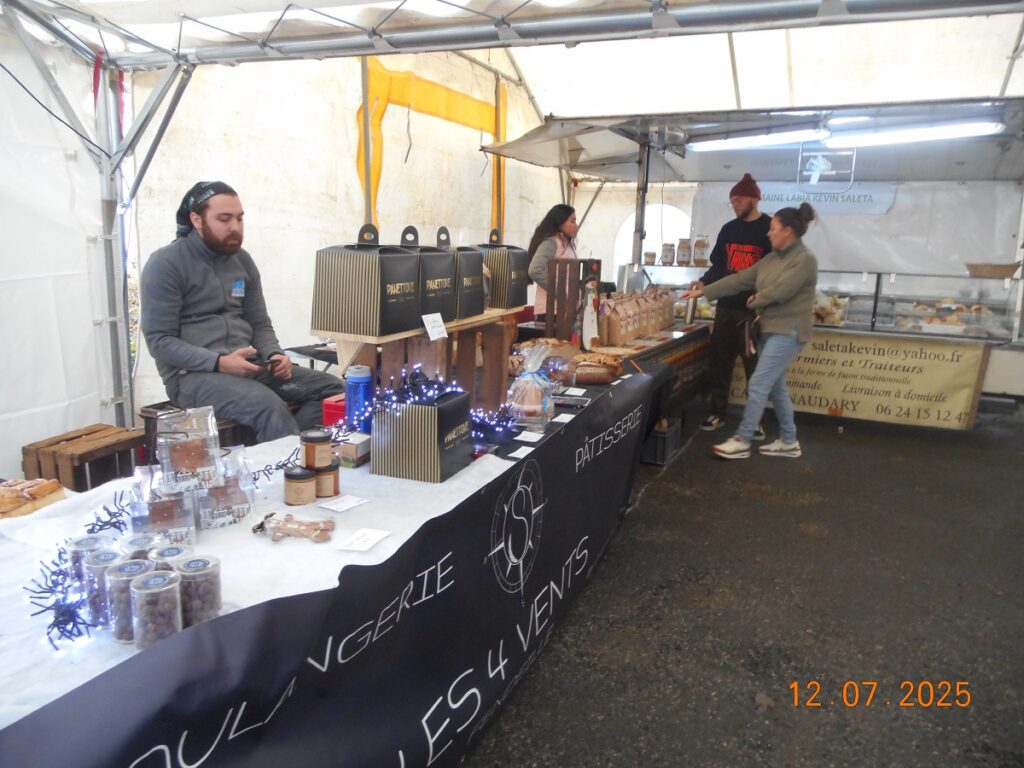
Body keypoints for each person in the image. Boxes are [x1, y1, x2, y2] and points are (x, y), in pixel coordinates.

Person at [141, 181, 343, 443]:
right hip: (191, 377)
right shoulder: (165, 264)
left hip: (248, 366)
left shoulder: (242, 261)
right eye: (224, 219)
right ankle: (289, 461)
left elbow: (259, 322)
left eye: (239, 218)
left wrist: (274, 354)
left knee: (333, 389)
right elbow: (160, 341)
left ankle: (289, 449)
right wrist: (219, 362)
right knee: (266, 406)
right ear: (196, 220)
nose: (235, 227)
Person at [681, 203, 819, 460]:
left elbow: (782, 291)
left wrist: (756, 299)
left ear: (787, 231)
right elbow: (739, 279)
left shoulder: (805, 260)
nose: (768, 233)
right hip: (770, 329)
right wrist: (704, 291)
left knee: (758, 382)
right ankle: (789, 441)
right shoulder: (770, 259)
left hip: (788, 332)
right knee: (776, 388)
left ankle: (742, 440)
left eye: (773, 229)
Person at [690, 173, 772, 437]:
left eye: (738, 199)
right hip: (725, 309)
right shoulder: (728, 230)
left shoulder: (770, 229)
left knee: (754, 367)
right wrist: (703, 282)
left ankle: (756, 420)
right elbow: (718, 266)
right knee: (720, 363)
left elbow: (775, 271)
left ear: (754, 199)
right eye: (732, 200)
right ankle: (717, 413)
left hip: (752, 314)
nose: (735, 205)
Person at [527, 204, 578, 320]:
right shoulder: (551, 243)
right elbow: (534, 270)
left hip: (565, 310)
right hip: (551, 312)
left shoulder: (568, 244)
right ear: (560, 222)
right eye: (572, 221)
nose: (576, 225)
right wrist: (559, 292)